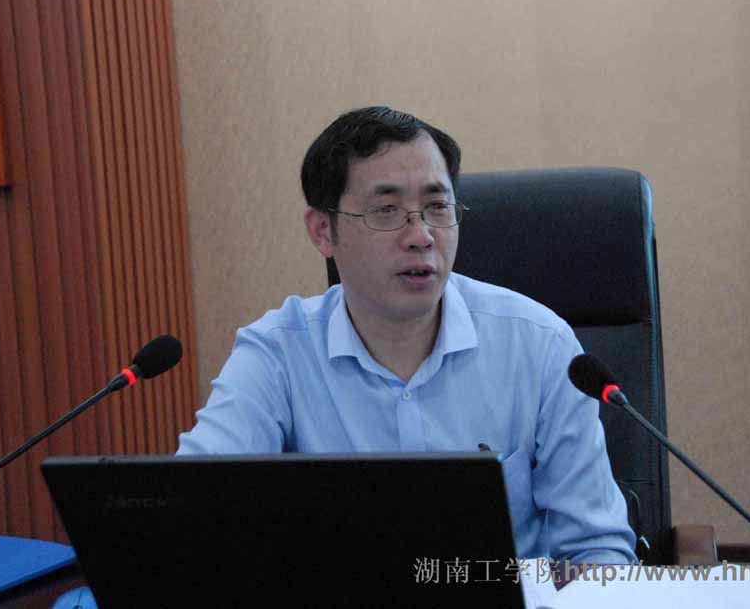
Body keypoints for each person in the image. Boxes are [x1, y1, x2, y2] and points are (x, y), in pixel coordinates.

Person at [177, 106, 636, 564]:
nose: (421, 236)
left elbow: (598, 550)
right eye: (387, 210)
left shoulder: (540, 345)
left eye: (437, 207)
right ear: (322, 231)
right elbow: (188, 512)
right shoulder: (276, 355)